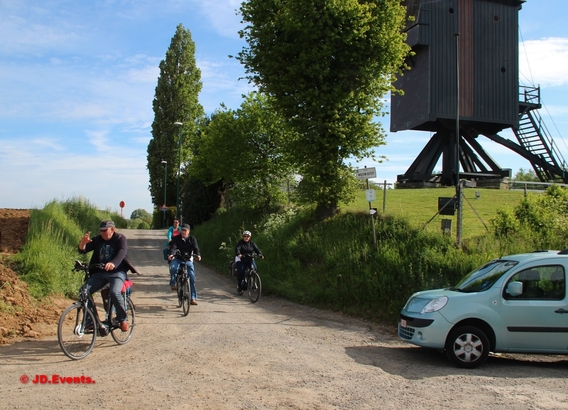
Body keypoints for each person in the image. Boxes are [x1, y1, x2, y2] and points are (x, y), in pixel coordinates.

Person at [78, 220, 132, 332]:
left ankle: (122, 318)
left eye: (104, 230)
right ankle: (90, 320)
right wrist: (83, 243)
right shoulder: (98, 239)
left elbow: (122, 251)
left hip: (117, 272)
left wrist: (113, 263)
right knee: (83, 291)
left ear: (112, 229)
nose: (102, 233)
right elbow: (83, 250)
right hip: (101, 273)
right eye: (100, 231)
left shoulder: (120, 238)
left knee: (114, 292)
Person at [168, 223, 201, 305]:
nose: (183, 232)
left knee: (192, 278)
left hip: (188, 260)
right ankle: (173, 283)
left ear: (188, 231)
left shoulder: (192, 239)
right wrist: (172, 254)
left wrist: (198, 255)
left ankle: (193, 298)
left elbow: (196, 248)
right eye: (182, 230)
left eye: (185, 230)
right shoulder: (176, 239)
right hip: (178, 259)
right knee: (173, 268)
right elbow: (173, 247)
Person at [235, 230, 264, 295]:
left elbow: (257, 249)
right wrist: (239, 254)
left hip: (249, 259)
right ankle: (240, 286)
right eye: (245, 236)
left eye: (247, 236)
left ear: (250, 237)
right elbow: (237, 249)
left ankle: (251, 281)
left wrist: (260, 254)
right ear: (243, 237)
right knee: (241, 271)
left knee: (254, 269)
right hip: (241, 259)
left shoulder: (252, 243)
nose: (246, 237)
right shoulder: (240, 243)